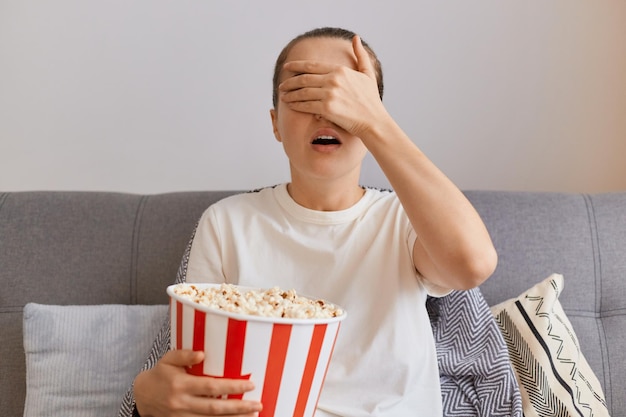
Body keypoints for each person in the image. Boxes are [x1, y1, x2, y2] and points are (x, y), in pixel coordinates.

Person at [127, 26, 498, 417]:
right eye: (305, 93)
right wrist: (149, 397)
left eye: (345, 96)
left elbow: (472, 264)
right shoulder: (227, 223)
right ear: (275, 123)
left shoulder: (407, 222)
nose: (326, 111)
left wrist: (376, 124)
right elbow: (198, 370)